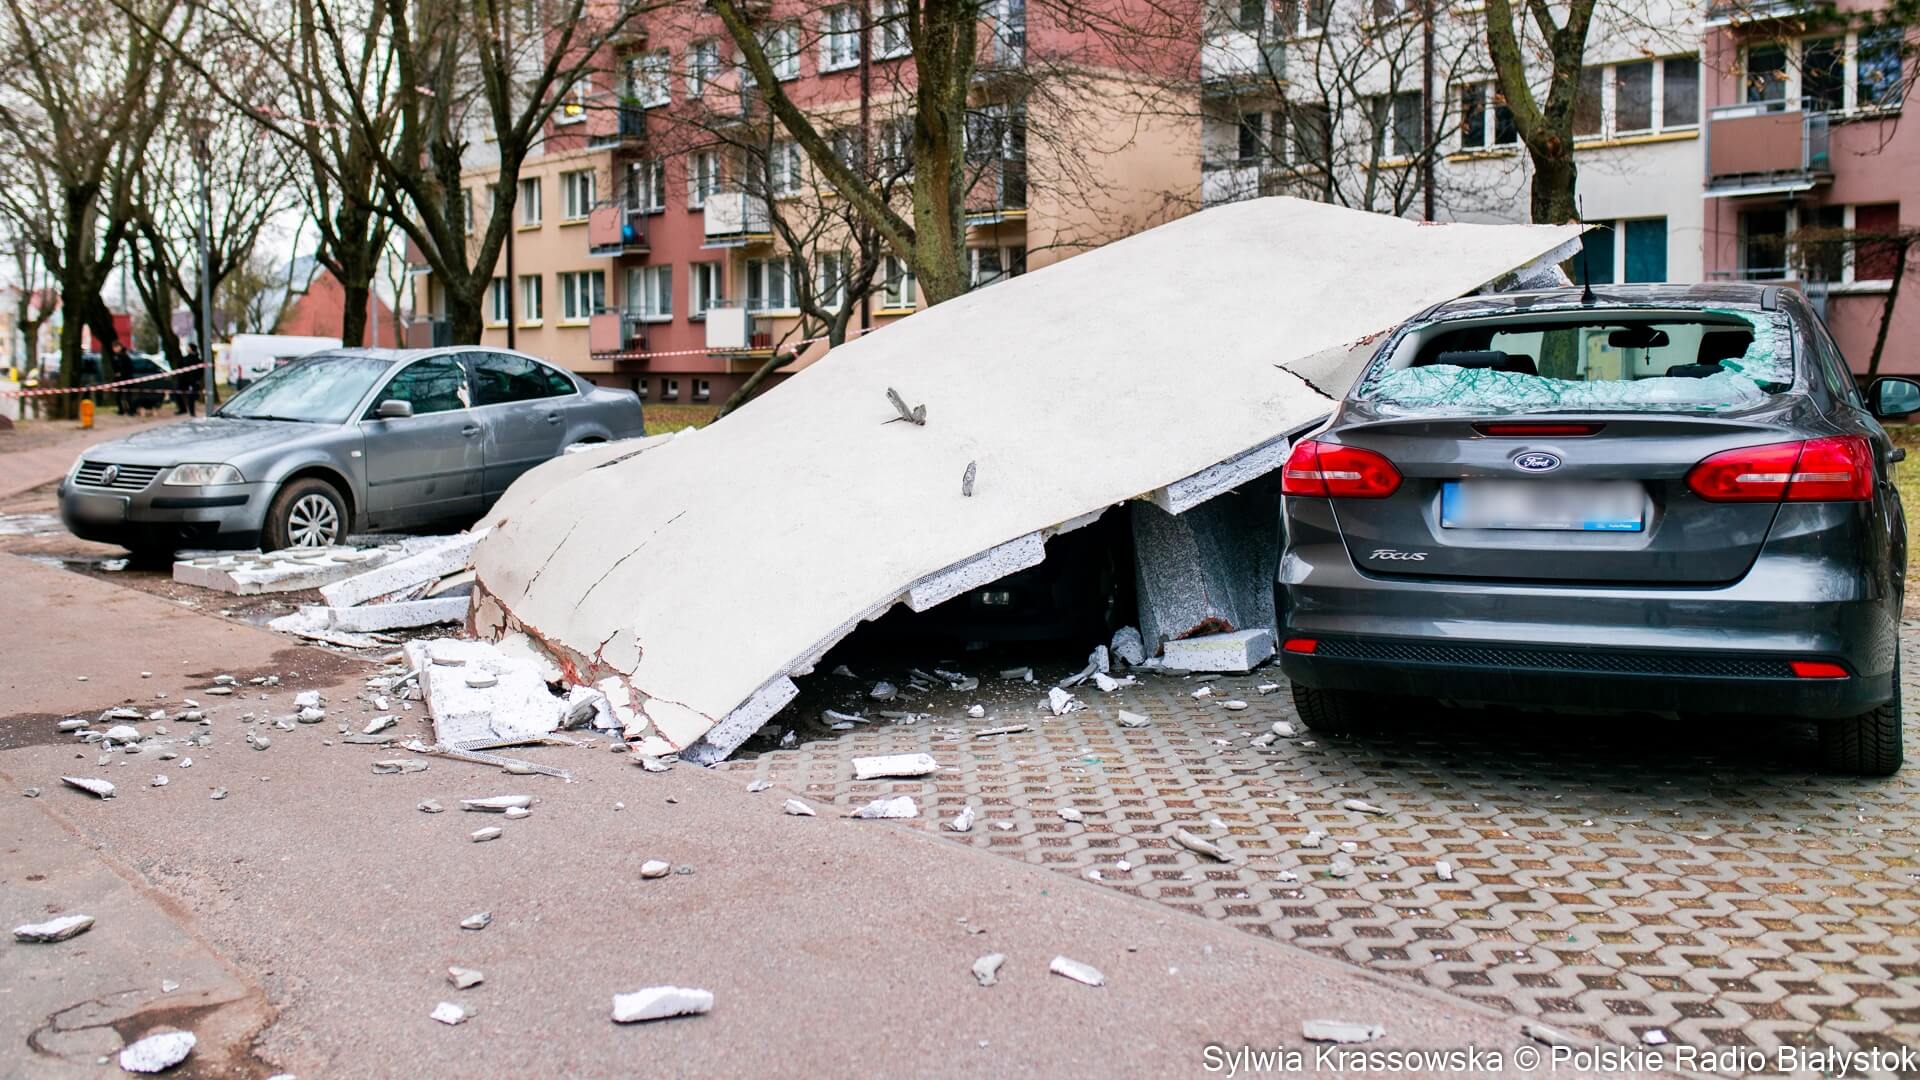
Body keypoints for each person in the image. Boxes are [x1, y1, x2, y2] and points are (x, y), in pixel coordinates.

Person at [177, 344, 204, 416]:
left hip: (193, 381)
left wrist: (197, 379)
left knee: (191, 397)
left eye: (188, 348)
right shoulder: (185, 359)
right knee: (178, 393)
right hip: (185, 380)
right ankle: (183, 409)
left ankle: (192, 412)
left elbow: (200, 371)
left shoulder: (196, 359)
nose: (187, 349)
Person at [109, 343, 134, 416]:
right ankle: (121, 410)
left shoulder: (125, 356)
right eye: (114, 347)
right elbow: (114, 368)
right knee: (118, 395)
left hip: (127, 379)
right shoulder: (114, 357)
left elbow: (130, 368)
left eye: (116, 347)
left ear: (120, 347)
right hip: (118, 380)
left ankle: (131, 411)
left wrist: (121, 373)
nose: (115, 349)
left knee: (128, 396)